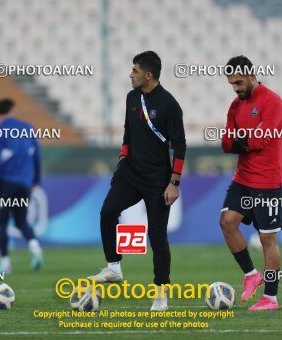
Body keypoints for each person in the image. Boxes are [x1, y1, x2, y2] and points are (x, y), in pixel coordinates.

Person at [88, 51, 186, 311]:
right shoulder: (132, 98)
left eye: (134, 70)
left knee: (157, 236)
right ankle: (113, 268)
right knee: (107, 211)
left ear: (148, 75)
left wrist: (174, 182)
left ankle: (161, 294)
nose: (130, 75)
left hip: (157, 179)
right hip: (130, 173)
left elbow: (180, 145)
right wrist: (122, 161)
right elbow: (127, 133)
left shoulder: (169, 104)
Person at [220, 55, 282, 310]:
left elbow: (261, 141)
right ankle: (251, 274)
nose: (235, 88)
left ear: (251, 75)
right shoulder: (235, 106)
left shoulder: (272, 102)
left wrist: (240, 138)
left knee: (267, 239)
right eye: (231, 84)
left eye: (238, 82)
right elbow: (226, 143)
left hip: (268, 181)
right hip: (243, 178)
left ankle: (270, 298)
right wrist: (244, 137)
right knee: (227, 222)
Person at [0, 98, 43, 274]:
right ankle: (35, 248)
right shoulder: (28, 127)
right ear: (12, 109)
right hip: (25, 184)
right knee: (21, 222)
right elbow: (37, 156)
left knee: (3, 224)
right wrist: (36, 179)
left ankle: (5, 265)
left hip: (7, 184)